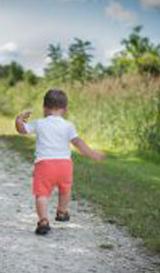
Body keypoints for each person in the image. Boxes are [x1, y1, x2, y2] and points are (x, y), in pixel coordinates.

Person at [15, 89, 105, 235]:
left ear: (44, 108)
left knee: (42, 194)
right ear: (65, 109)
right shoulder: (68, 125)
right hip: (64, 165)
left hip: (44, 165)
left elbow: (22, 130)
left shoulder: (39, 123)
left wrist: (19, 120)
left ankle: (43, 220)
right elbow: (77, 142)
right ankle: (62, 211)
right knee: (65, 190)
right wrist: (92, 153)